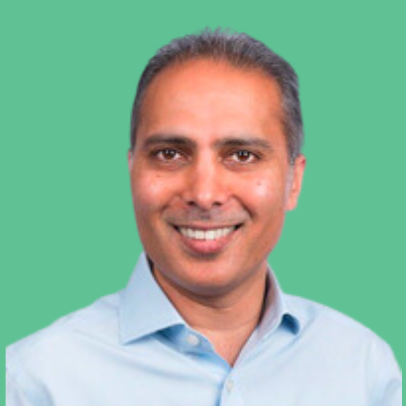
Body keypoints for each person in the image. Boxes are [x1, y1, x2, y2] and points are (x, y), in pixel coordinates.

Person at [6, 28, 401, 406]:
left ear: (293, 181)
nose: (205, 194)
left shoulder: (362, 368)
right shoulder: (37, 379)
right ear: (132, 171)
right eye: (170, 154)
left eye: (242, 155)